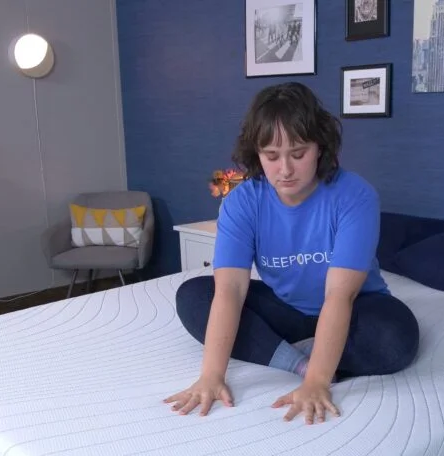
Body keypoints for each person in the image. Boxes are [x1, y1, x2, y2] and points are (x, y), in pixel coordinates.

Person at [165, 82, 420, 425]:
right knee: (195, 296)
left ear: (319, 148)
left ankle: (302, 357)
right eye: (271, 156)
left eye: (298, 154)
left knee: (396, 339)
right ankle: (297, 361)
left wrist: (316, 383)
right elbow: (230, 290)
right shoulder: (243, 201)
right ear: (257, 153)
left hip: (357, 305)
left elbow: (339, 295)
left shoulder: (354, 196)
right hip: (287, 309)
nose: (284, 170)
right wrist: (211, 375)